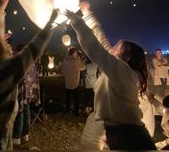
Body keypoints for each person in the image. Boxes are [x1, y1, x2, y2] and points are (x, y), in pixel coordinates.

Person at [0, 0, 58, 149]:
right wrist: (51, 22)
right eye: (2, 45)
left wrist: (1, 10)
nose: (7, 45)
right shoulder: (5, 73)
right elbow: (34, 48)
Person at [65, 8, 156, 150]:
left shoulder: (122, 71)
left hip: (129, 136)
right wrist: (89, 15)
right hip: (123, 132)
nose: (112, 48)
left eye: (117, 47)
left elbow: (94, 47)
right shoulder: (122, 70)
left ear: (126, 56)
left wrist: (77, 21)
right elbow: (102, 42)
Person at [13, 45, 40, 147]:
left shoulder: (19, 61)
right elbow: (35, 76)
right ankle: (25, 134)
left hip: (21, 90)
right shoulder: (31, 61)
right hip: (29, 91)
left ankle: (17, 136)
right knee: (26, 111)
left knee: (20, 112)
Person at [61, 47, 85, 115]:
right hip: (75, 82)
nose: (77, 54)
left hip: (67, 82)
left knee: (68, 97)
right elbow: (83, 67)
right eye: (76, 53)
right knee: (76, 98)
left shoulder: (64, 60)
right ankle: (76, 111)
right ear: (74, 53)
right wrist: (80, 60)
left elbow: (62, 71)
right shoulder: (76, 61)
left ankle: (67, 110)